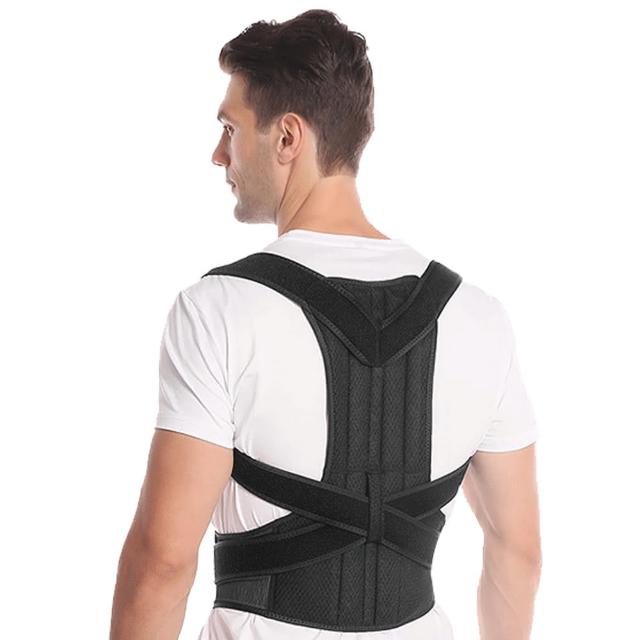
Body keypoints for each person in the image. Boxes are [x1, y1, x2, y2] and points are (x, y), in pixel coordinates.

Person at [110, 9, 542, 640]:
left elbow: (163, 563)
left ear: (288, 138)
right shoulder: (478, 317)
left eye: (230, 128)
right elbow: (517, 550)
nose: (218, 154)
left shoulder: (219, 309)